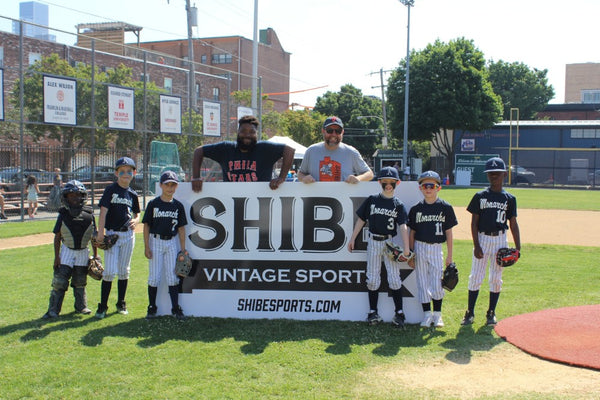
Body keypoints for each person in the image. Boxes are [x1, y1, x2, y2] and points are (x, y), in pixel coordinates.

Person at [348, 167, 411, 327]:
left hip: (389, 243)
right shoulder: (372, 199)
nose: (388, 185)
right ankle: (372, 312)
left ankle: (399, 313)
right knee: (373, 278)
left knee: (394, 279)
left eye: (392, 183)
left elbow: (403, 226)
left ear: (398, 183)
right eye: (385, 182)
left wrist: (406, 247)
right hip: (373, 241)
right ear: (379, 182)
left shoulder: (398, 204)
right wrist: (353, 238)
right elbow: (361, 220)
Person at [461, 157, 521, 326]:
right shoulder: (480, 196)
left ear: (504, 174)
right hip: (482, 238)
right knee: (476, 277)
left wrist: (517, 248)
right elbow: (474, 223)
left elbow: (513, 224)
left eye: (497, 173)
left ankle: (491, 312)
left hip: (501, 240)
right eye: (490, 173)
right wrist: (476, 245)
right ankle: (470, 312)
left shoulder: (510, 198)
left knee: (496, 278)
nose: (493, 176)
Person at [191, 115, 295, 191]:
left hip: (261, 202)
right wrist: (196, 177)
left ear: (256, 134)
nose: (247, 135)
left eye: (252, 132)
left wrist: (281, 177)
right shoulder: (226, 148)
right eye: (243, 131)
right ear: (238, 132)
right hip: (231, 201)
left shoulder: (264, 149)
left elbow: (289, 150)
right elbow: (198, 151)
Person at [408, 171, 458, 328]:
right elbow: (412, 233)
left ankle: (437, 315)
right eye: (425, 186)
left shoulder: (445, 207)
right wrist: (411, 253)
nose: (428, 189)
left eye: (432, 186)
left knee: (437, 282)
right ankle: (426, 315)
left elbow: (449, 233)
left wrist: (450, 255)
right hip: (420, 247)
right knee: (422, 282)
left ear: (439, 188)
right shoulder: (416, 209)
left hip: (437, 248)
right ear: (420, 188)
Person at [94, 157, 140, 319]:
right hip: (112, 234)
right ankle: (102, 306)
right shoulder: (110, 190)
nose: (126, 174)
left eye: (129, 171)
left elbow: (137, 213)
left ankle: (121, 302)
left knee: (123, 270)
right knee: (109, 272)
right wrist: (101, 232)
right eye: (122, 171)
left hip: (128, 234)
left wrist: (136, 220)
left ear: (134, 173)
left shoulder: (133, 194)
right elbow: (103, 211)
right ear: (116, 173)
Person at [43, 180, 96, 318]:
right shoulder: (63, 214)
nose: (75, 198)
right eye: (71, 196)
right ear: (65, 197)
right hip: (67, 251)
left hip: (83, 252)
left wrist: (96, 256)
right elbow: (57, 237)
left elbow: (93, 238)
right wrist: (56, 257)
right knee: (60, 281)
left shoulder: (89, 214)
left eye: (78, 195)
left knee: (80, 281)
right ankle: (53, 310)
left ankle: (81, 307)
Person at [142, 171, 188, 320]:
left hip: (171, 242)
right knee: (154, 277)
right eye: (167, 184)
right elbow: (146, 226)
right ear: (160, 185)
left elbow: (181, 228)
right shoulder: (153, 204)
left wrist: (183, 249)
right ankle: (152, 307)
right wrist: (146, 246)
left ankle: (175, 308)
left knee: (172, 277)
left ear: (176, 186)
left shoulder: (178, 206)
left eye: (173, 185)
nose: (170, 188)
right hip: (155, 241)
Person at [297, 116, 373, 183]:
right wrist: (304, 178)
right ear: (323, 131)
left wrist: (358, 178)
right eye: (330, 130)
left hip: (342, 198)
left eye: (338, 131)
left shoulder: (351, 152)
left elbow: (369, 174)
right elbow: (300, 174)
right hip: (316, 198)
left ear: (342, 132)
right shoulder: (311, 151)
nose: (334, 134)